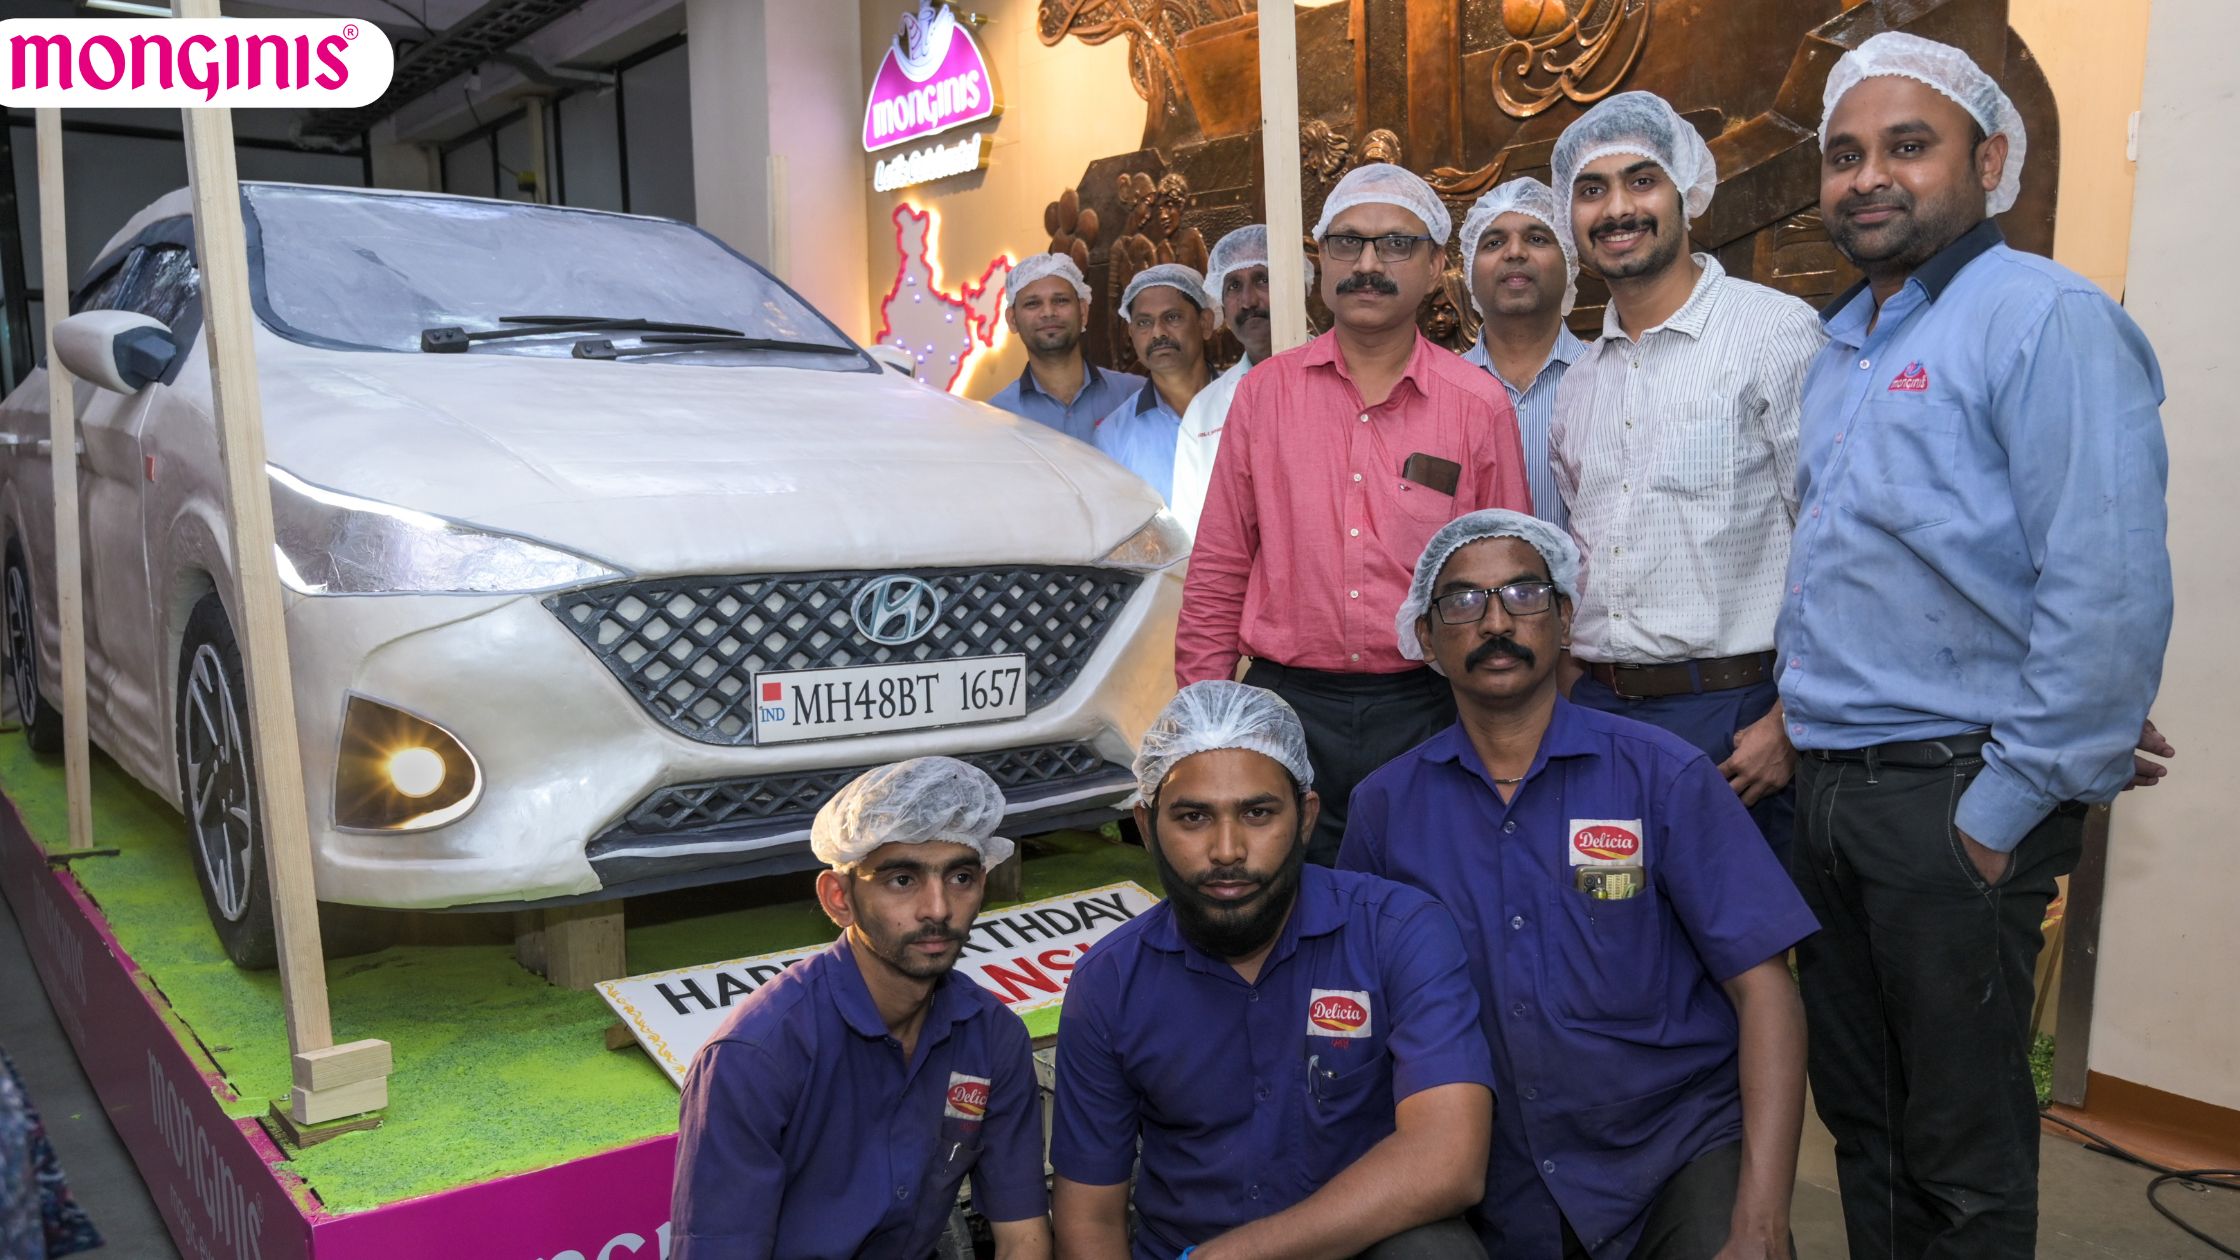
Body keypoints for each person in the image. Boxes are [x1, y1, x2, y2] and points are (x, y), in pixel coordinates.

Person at [1780, 33, 2172, 1258]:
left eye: (1907, 146)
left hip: (1950, 799)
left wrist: (1999, 809)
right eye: (1844, 155)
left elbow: (2104, 585)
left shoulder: (2041, 318)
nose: (1865, 179)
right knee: (1865, 1126)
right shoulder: (1847, 344)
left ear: (1988, 160)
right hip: (1830, 789)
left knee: (1963, 1149)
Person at [1342, 510, 1818, 1260]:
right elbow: (1356, 1018)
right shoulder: (1385, 810)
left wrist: (1759, 1224)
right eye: (1462, 602)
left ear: (1565, 620)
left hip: (1672, 1154)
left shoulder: (1664, 776)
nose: (1496, 620)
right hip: (1483, 1177)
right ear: (1427, 640)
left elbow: (1766, 991)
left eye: (1524, 594)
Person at [1052, 681, 1496, 1260]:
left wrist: (1240, 1255)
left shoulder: (1398, 931)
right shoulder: (1109, 983)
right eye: (1193, 817)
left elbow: (1449, 1162)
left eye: (1258, 812)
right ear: (1144, 824)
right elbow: (1089, 1220)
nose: (1228, 849)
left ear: (1306, 817)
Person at [1180, 163, 1533, 865]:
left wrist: (1511, 726)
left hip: (1430, 706)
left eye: (1396, 245)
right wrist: (1203, 721)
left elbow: (1509, 586)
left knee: (1425, 910)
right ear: (1321, 261)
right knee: (1288, 916)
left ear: (1436, 267)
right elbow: (1219, 565)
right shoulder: (1264, 396)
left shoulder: (1476, 405)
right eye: (1348, 243)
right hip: (1285, 706)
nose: (1368, 264)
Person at [1546, 92, 1827, 859]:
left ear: (1686, 195)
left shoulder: (1774, 332)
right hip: (1601, 718)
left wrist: (1789, 722)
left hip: (1739, 722)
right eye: (1592, 190)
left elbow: (1832, 541)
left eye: (1642, 181)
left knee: (1747, 962)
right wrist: (1574, 697)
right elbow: (1586, 556)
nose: (1617, 209)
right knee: (1616, 950)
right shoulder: (1580, 382)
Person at [672, 758, 1051, 1260]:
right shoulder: (754, 1059)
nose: (937, 909)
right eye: (901, 880)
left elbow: (1023, 1236)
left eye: (959, 877)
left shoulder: (991, 1035)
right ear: (839, 898)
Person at [1457, 179, 1588, 532]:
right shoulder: (1441, 391)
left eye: (1537, 238)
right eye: (1494, 242)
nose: (1515, 252)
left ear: (1570, 260)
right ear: (1468, 271)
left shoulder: (1613, 375)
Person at [1169, 226, 1315, 533]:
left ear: (1297, 285)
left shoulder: (1348, 377)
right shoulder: (1204, 411)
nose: (1248, 301)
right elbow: (1193, 537)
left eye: (1263, 279)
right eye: (1233, 286)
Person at [986, 253, 1147, 443]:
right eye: (1032, 303)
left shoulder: (1135, 395)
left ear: (1083, 312)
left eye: (1060, 300)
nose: (1048, 312)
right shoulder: (996, 417)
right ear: (1012, 320)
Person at [1095, 263, 1217, 502]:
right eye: (1144, 322)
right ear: (1131, 333)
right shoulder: (1113, 435)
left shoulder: (1244, 401)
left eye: (1172, 317)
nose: (1158, 333)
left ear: (1205, 323)